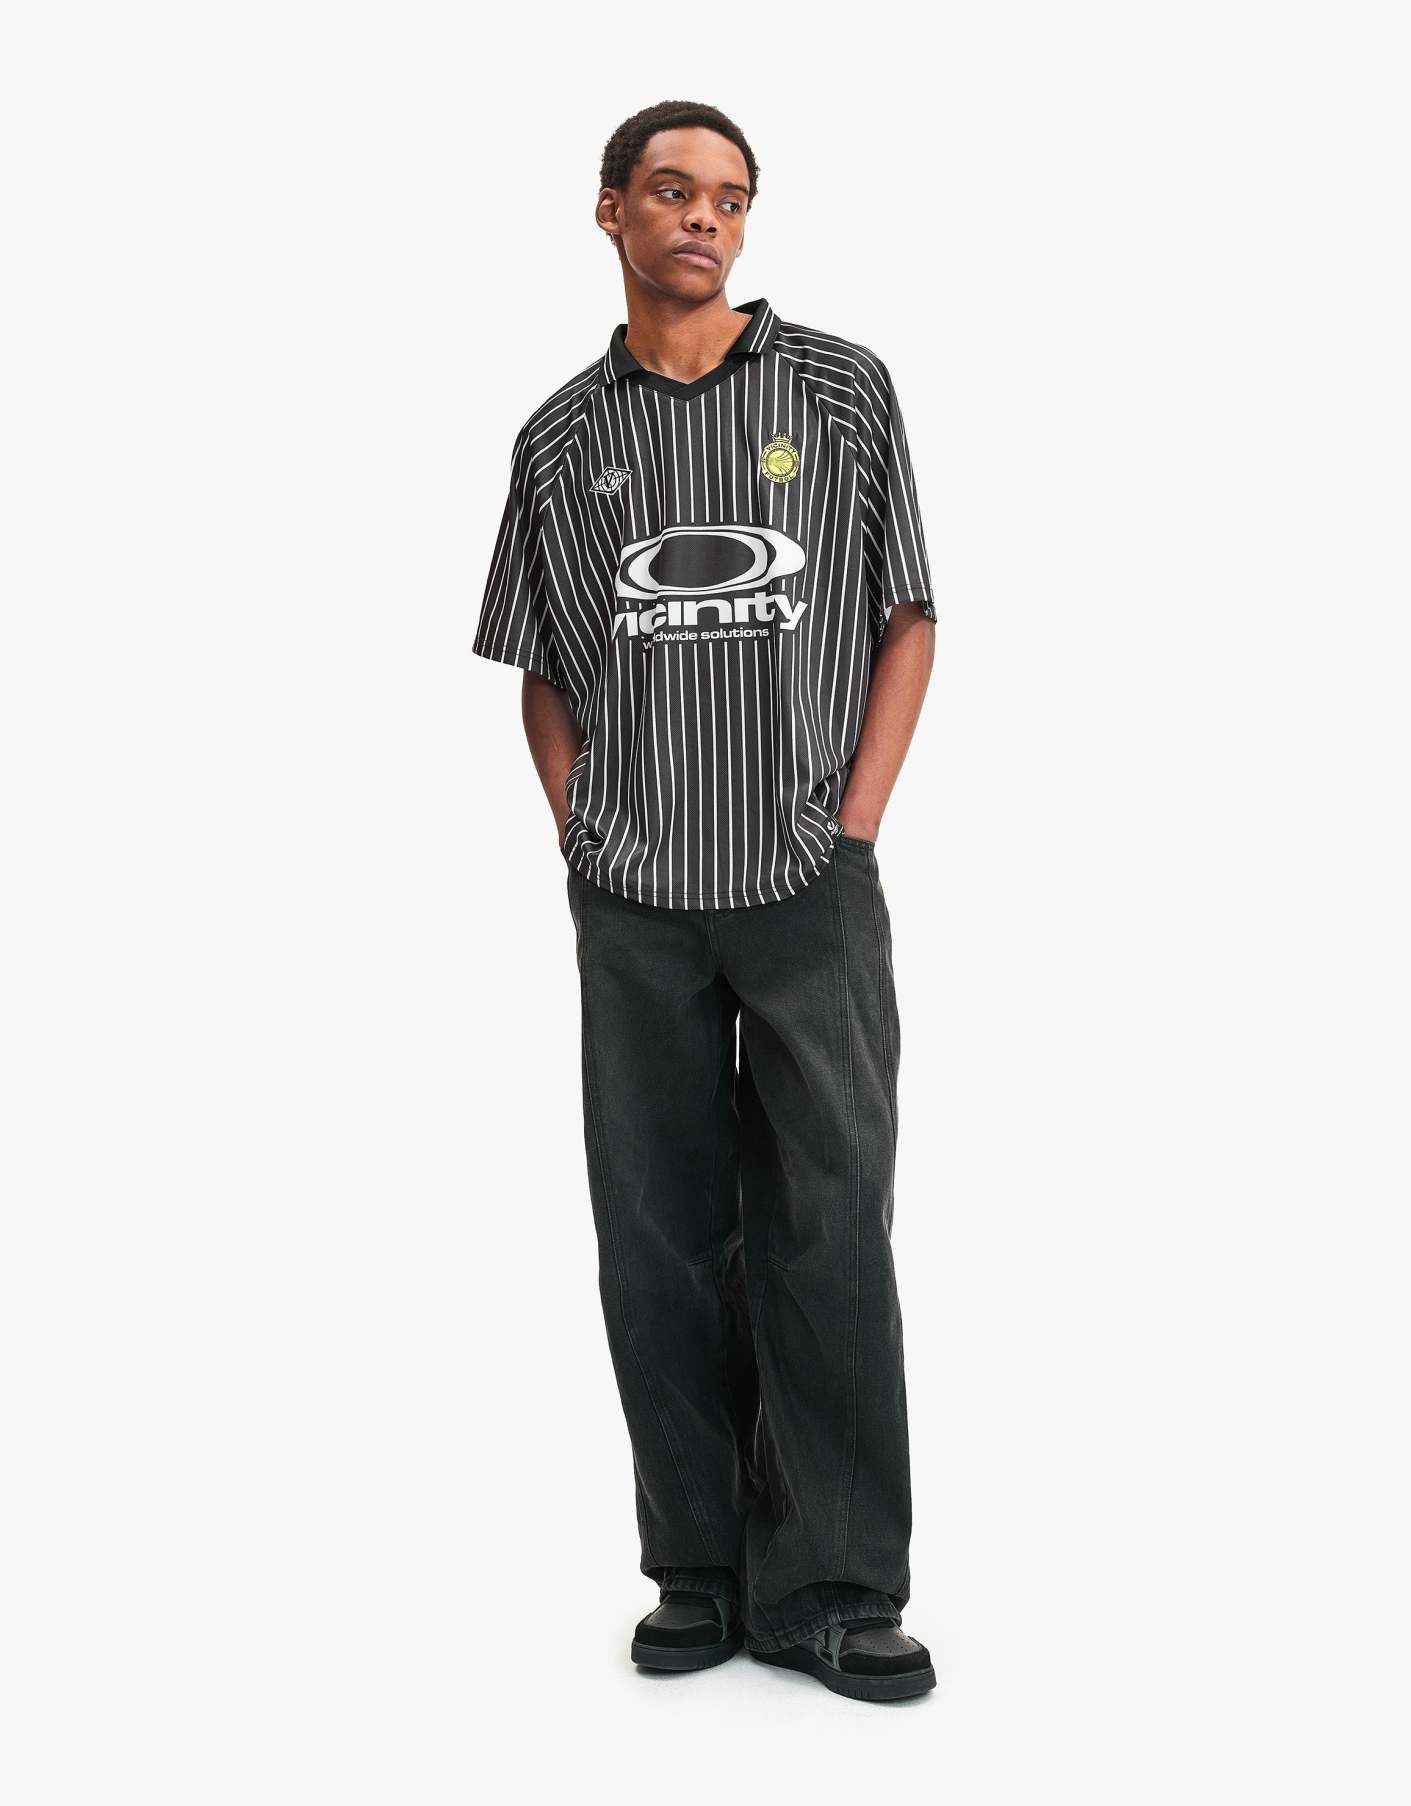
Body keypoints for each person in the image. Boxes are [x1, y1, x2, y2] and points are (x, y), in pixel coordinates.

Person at [472, 100, 938, 1702]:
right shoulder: (559, 437)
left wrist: (852, 822)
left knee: (827, 1226)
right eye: (672, 191)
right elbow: (540, 665)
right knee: (658, 1234)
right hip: (635, 899)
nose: (703, 219)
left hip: (807, 883)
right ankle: (698, 1567)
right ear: (609, 209)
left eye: (729, 199)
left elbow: (905, 616)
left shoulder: (839, 390)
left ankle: (836, 1583)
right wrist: (582, 830)